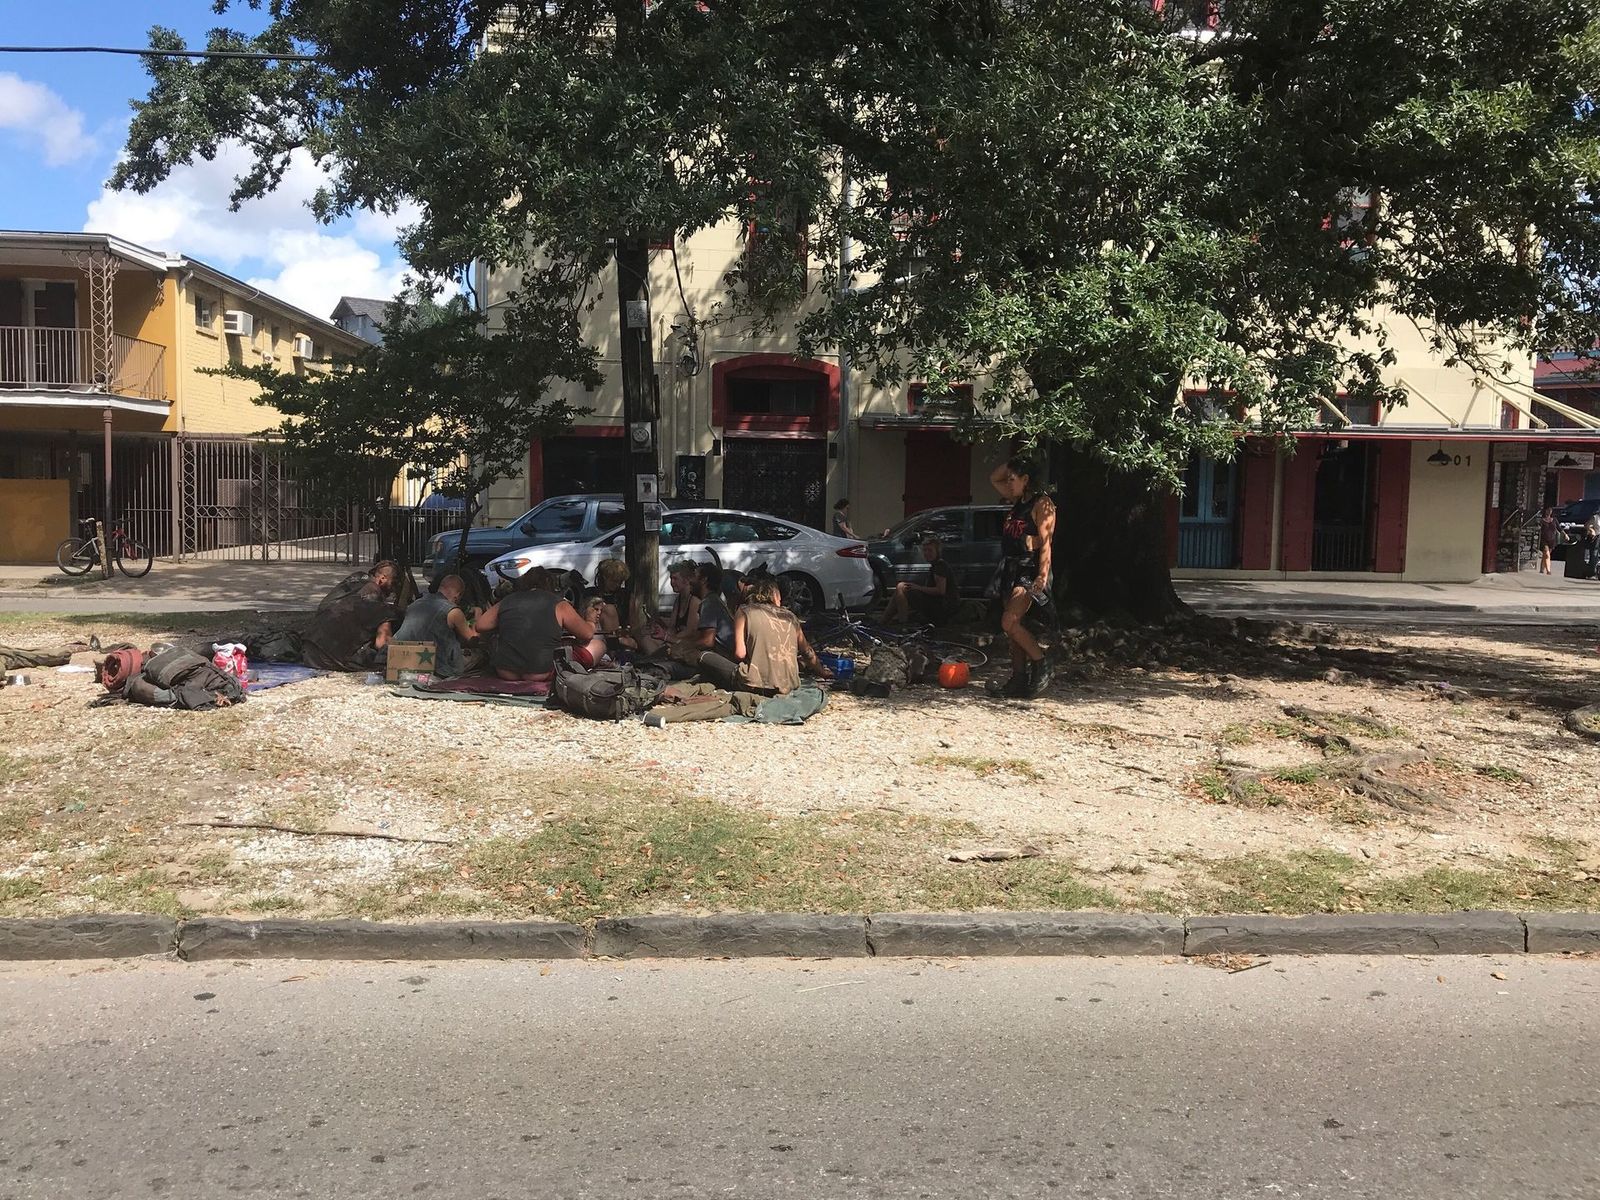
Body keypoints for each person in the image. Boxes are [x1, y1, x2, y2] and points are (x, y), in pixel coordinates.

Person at [989, 455, 1057, 698]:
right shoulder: (1018, 501)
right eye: (1008, 480)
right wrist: (1016, 462)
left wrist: (1042, 575)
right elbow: (994, 478)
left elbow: (1046, 542)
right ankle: (1018, 678)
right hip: (1009, 568)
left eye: (1013, 479)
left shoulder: (1042, 503)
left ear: (1026, 479)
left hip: (1029, 570)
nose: (1007, 484)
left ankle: (1042, 662)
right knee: (1013, 629)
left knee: (1009, 621)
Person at [700, 576, 830, 695]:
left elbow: (740, 654)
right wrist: (822, 672)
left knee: (704, 656)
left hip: (754, 684)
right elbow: (807, 651)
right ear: (775, 596)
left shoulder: (744, 611)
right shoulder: (790, 616)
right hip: (789, 684)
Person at [474, 567, 606, 682]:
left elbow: (480, 625)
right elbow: (586, 634)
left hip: (505, 671)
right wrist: (590, 621)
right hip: (541, 672)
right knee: (598, 645)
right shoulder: (559, 604)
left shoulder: (507, 600)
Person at [301, 560, 403, 671]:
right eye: (393, 583)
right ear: (382, 578)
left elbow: (324, 607)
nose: (393, 590)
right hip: (329, 658)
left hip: (308, 649)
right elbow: (382, 643)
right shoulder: (376, 599)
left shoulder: (355, 579)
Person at [389, 573, 476, 678]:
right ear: (458, 595)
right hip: (437, 667)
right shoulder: (453, 611)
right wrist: (478, 613)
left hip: (400, 659)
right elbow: (472, 639)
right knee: (478, 656)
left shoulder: (415, 604)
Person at [669, 561, 736, 670]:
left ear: (704, 580)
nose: (690, 581)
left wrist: (684, 646)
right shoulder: (712, 600)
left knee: (678, 653)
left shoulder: (709, 603)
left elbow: (707, 641)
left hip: (725, 656)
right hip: (724, 653)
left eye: (694, 576)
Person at [883, 537, 956, 625]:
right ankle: (884, 622)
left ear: (937, 551)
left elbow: (940, 591)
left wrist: (918, 587)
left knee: (901, 587)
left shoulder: (940, 566)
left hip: (942, 607)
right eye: (925, 550)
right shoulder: (934, 565)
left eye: (930, 550)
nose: (927, 553)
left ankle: (902, 623)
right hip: (934, 602)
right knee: (899, 590)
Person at [1539, 506, 1559, 576]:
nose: (1549, 512)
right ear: (1545, 511)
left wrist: (1565, 535)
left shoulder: (1554, 520)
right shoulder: (1542, 520)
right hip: (1544, 539)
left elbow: (1559, 528)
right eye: (1548, 510)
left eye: (1550, 510)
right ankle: (1548, 570)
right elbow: (1539, 529)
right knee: (1547, 554)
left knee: (1546, 555)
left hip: (1552, 540)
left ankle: (1542, 569)